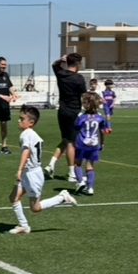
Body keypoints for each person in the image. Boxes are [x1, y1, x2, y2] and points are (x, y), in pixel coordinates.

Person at [8, 105, 77, 235]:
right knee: (13, 197)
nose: (19, 121)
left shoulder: (26, 134)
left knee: (35, 208)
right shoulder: (31, 134)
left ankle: (62, 197)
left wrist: (19, 169)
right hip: (29, 172)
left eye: (22, 119)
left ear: (31, 123)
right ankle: (23, 226)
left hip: (33, 174)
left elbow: (26, 151)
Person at [44, 53, 86, 181]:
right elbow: (84, 97)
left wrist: (60, 60)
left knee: (66, 139)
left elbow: (54, 65)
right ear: (77, 64)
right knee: (71, 143)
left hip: (62, 111)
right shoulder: (79, 78)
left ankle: (50, 165)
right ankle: (71, 172)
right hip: (73, 112)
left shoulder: (61, 74)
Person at [71, 92, 110, 195]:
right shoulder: (100, 117)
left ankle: (80, 182)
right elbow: (102, 132)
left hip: (82, 143)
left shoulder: (81, 116)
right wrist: (102, 144)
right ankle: (90, 188)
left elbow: (76, 128)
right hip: (94, 144)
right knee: (90, 166)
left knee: (77, 164)